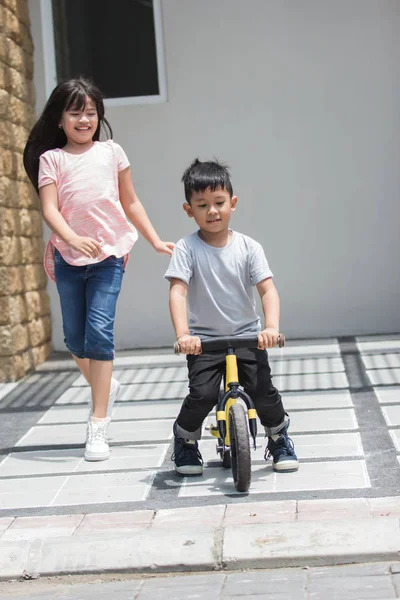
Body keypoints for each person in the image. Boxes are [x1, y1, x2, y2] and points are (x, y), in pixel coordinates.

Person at [23, 77, 173, 462]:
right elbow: (50, 209)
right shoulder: (51, 159)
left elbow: (131, 202)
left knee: (99, 332)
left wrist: (154, 239)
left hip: (109, 256)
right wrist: (71, 239)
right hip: (68, 258)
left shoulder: (112, 152)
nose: (84, 119)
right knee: (75, 340)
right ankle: (106, 385)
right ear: (60, 119)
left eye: (90, 112)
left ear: (98, 116)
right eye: (75, 112)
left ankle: (98, 423)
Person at [164, 158, 298, 476]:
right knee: (203, 394)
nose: (212, 211)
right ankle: (185, 441)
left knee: (263, 391)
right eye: (202, 205)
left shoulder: (249, 248)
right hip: (203, 341)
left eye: (219, 203)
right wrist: (184, 335)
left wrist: (271, 328)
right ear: (189, 210)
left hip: (247, 336)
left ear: (232, 203)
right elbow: (178, 293)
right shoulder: (186, 249)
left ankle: (279, 437)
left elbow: (268, 291)